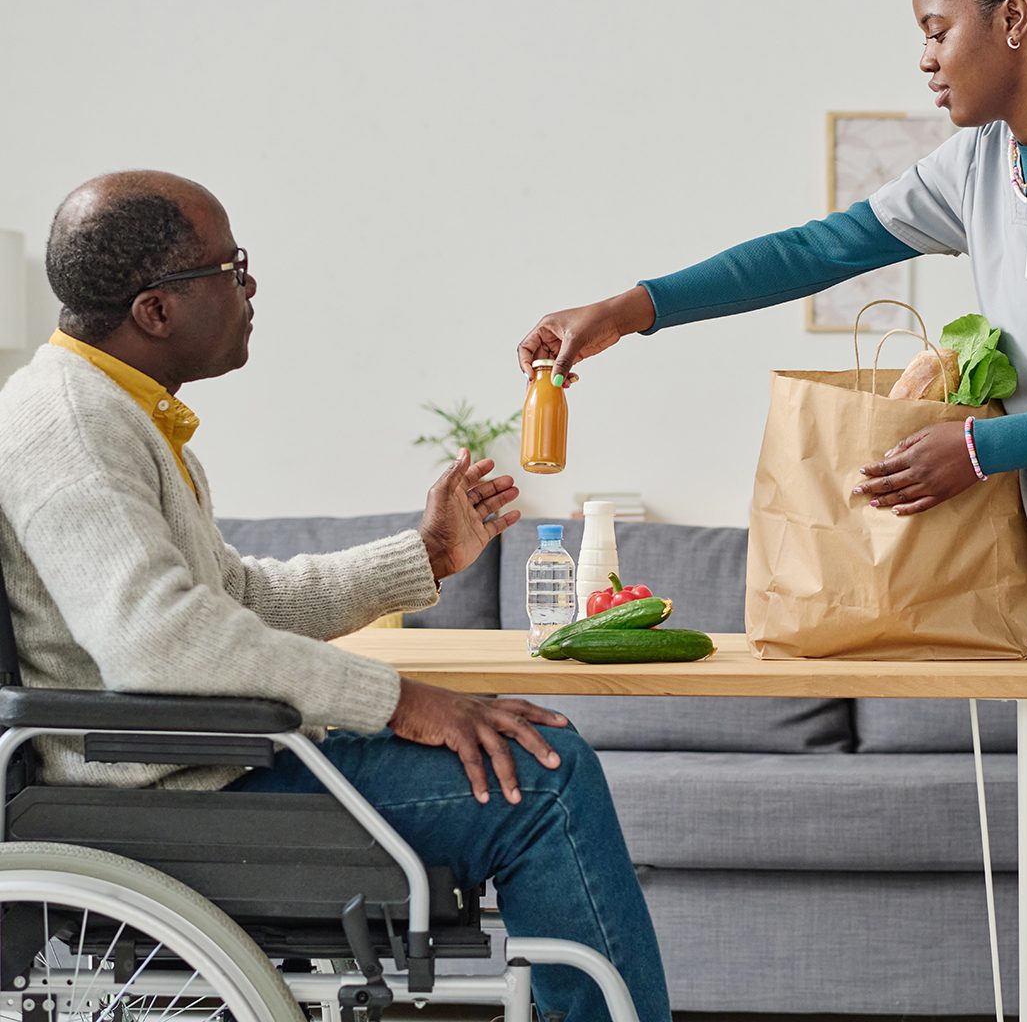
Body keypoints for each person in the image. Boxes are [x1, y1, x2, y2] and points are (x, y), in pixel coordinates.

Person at [518, 0, 1027, 1021]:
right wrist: (630, 309)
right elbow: (817, 249)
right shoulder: (985, 165)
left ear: (1017, 20)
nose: (927, 60)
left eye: (940, 29)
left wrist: (980, 448)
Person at [0, 170, 670, 1022]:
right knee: (544, 780)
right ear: (155, 310)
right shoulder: (72, 426)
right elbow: (160, 639)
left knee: (536, 759)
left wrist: (420, 557)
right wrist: (398, 702)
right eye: (230, 267)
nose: (250, 288)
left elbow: (231, 598)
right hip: (171, 794)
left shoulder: (113, 412)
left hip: (206, 768)